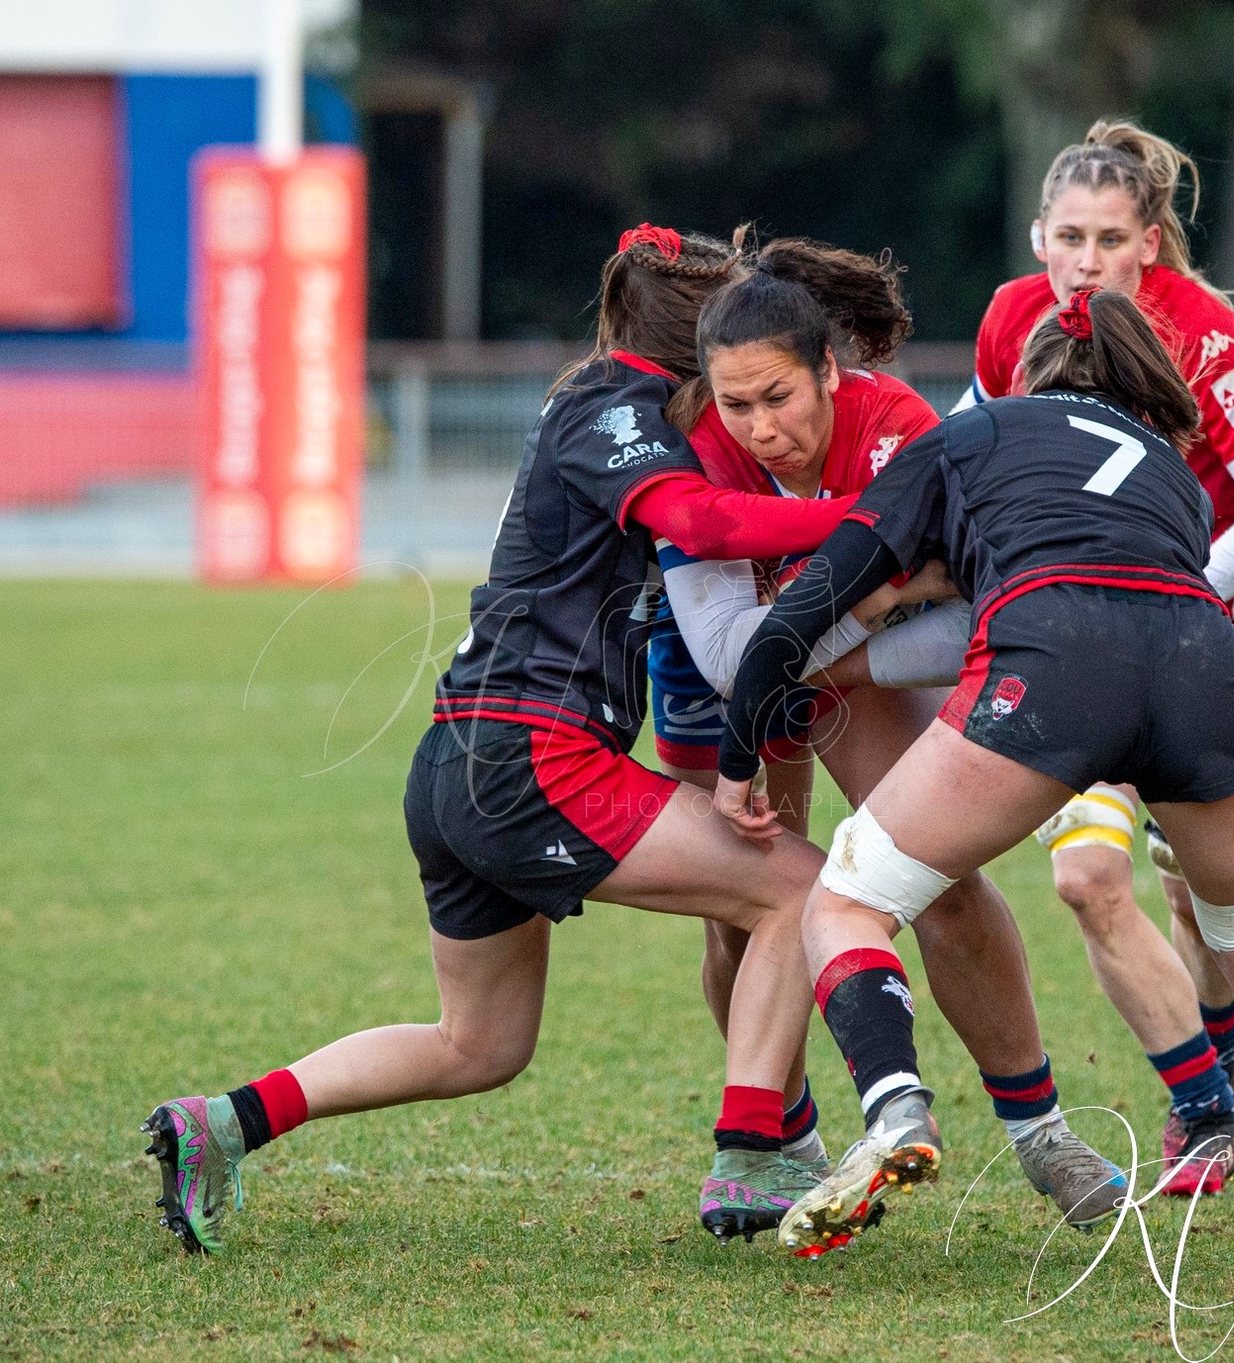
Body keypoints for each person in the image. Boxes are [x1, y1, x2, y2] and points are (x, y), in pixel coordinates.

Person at [143, 225, 929, 1256]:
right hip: (532, 757)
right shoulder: (615, 406)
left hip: (461, 761)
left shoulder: (606, 404)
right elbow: (705, 525)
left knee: (478, 1043)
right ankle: (757, 1149)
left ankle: (223, 1122)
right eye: (729, 376)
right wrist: (873, 520)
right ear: (693, 349)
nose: (744, 411)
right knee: (800, 887)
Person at [716, 286, 1234, 1287]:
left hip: (1053, 662)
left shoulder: (969, 434)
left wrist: (738, 766)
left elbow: (792, 624)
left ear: (1023, 375)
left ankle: (895, 1107)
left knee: (845, 900)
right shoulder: (1174, 479)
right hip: (1206, 665)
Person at [654, 245, 1126, 1230]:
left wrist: (832, 649)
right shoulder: (695, 445)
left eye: (779, 398)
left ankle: (1039, 1129)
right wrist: (875, 595)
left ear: (829, 370)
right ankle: (775, 1139)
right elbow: (731, 660)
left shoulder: (899, 430)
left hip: (844, 666)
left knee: (936, 875)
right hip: (725, 672)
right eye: (736, 405)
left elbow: (971, 620)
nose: (760, 429)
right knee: (742, 909)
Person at [955, 119, 1234, 1196]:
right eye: (1067, 238)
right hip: (1080, 648)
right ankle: (1204, 1107)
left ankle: (1220, 1091)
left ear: (1149, 243)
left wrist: (1168, 590)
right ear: (1038, 236)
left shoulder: (1203, 335)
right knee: (1086, 875)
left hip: (1219, 645)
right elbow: (965, 464)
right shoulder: (1012, 318)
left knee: (1204, 900)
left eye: (1109, 239)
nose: (1085, 261)